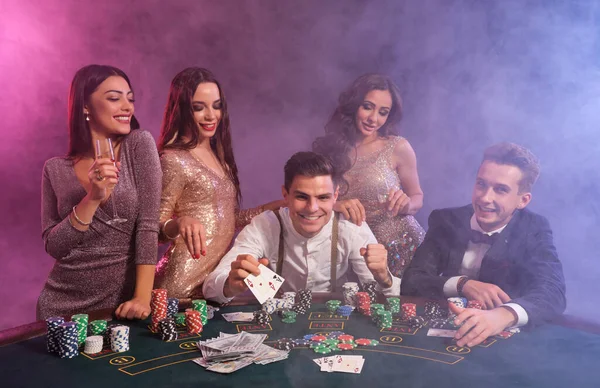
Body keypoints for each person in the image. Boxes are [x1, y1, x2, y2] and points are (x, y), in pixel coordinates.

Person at [401, 142, 566, 347]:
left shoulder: (534, 228)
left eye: (501, 190)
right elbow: (412, 280)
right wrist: (462, 284)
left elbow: (552, 291)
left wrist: (503, 315)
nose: (485, 198)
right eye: (481, 184)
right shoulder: (446, 220)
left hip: (501, 343)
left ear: (522, 200)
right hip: (440, 333)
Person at [38, 64, 161, 320]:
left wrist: (142, 296)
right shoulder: (55, 169)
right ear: (85, 105)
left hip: (119, 305)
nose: (127, 107)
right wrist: (92, 199)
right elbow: (55, 247)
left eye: (130, 99)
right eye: (115, 98)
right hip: (59, 304)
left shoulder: (138, 145)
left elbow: (148, 226)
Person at [154, 67, 283, 301]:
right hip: (180, 286)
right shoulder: (173, 159)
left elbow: (229, 220)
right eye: (198, 107)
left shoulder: (219, 157)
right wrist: (179, 222)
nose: (211, 115)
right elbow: (153, 230)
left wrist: (280, 205)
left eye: (216, 105)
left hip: (215, 281)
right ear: (182, 109)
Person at [203, 151, 400, 304]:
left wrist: (385, 278)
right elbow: (211, 288)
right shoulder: (265, 225)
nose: (312, 208)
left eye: (323, 197)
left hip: (336, 325)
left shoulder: (351, 227)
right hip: (279, 325)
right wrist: (229, 285)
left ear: (336, 196)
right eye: (301, 197)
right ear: (285, 194)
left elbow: (385, 298)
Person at [313, 73, 425, 278]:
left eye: (383, 112)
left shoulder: (397, 146)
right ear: (354, 105)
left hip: (405, 248)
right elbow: (313, 199)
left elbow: (417, 197)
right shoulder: (329, 150)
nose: (374, 119)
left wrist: (407, 204)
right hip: (357, 252)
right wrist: (333, 205)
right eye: (367, 107)